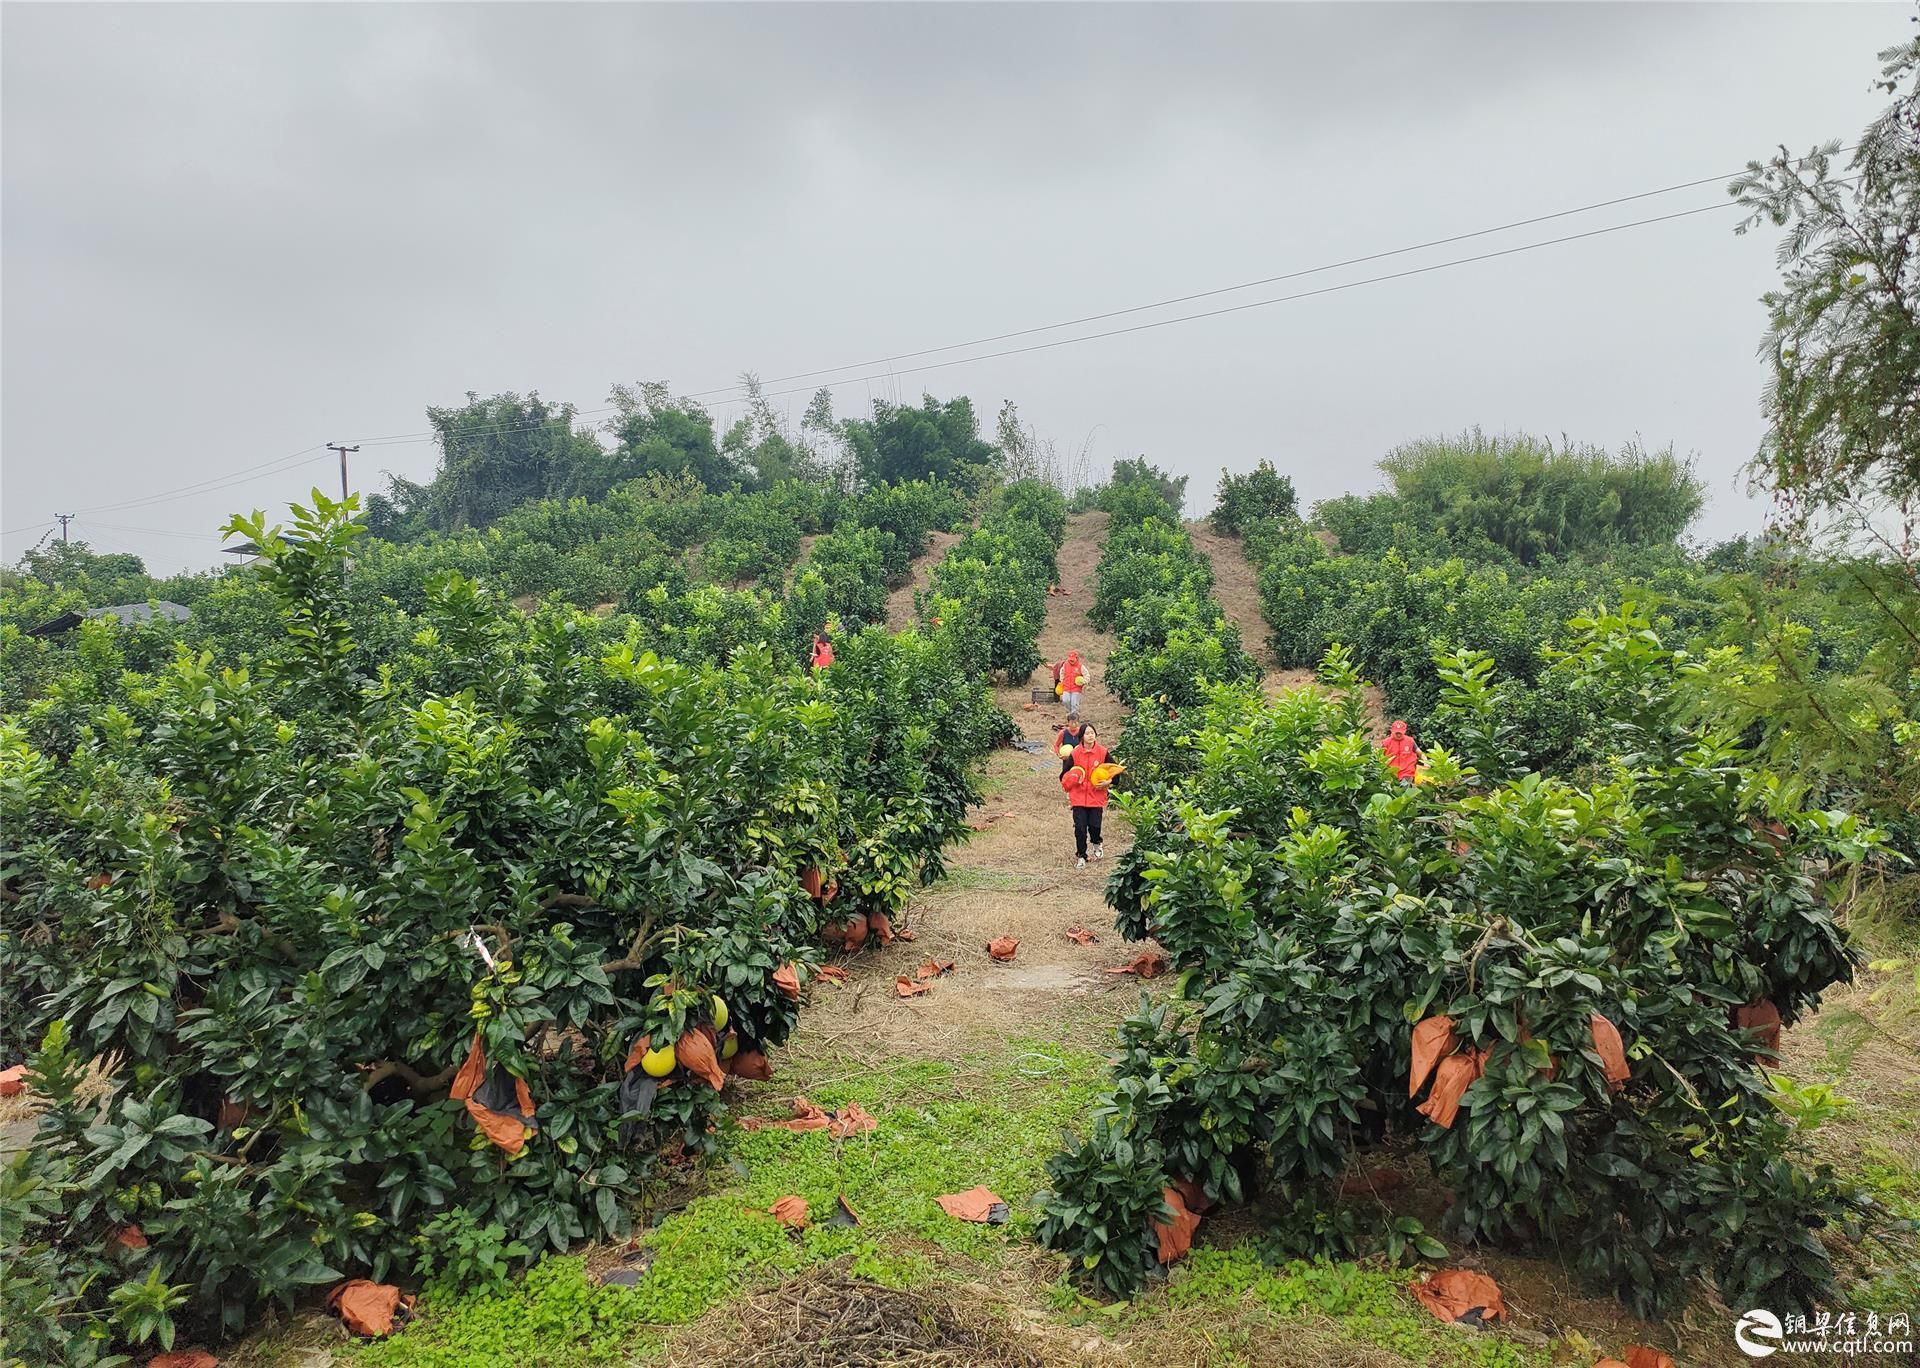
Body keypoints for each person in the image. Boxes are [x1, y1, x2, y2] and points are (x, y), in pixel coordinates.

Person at [1059, 723, 1111, 867]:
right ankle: (1081, 855)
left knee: (1095, 826)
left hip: (1096, 797)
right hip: (1079, 798)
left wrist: (1108, 782)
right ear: (1082, 736)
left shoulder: (1103, 752)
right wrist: (1073, 778)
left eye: (1092, 733)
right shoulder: (1075, 753)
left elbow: (1114, 773)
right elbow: (1064, 775)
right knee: (1080, 828)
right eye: (1087, 733)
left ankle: (1096, 843)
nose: (1090, 736)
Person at [1059, 649, 1087, 721]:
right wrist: (1062, 680)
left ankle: (1074, 717)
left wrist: (1084, 681)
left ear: (1077, 658)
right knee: (1065, 700)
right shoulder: (1065, 665)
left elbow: (1087, 675)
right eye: (1070, 659)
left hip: (1076, 688)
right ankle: (1068, 714)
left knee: (1074, 703)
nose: (1071, 661)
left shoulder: (1081, 666)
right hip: (1066, 687)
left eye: (1073, 659)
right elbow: (1061, 673)